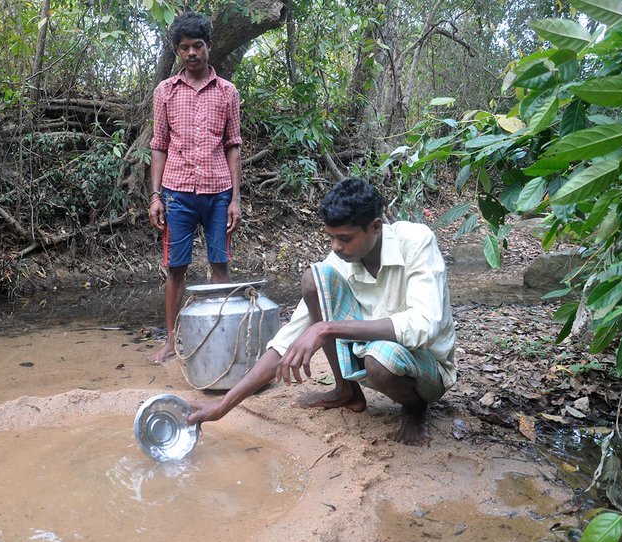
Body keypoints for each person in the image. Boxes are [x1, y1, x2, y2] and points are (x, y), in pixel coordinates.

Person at [187, 177, 457, 445]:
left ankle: (414, 407)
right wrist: (224, 405)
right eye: (330, 237)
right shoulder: (341, 259)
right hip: (376, 351)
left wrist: (326, 328)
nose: (335, 246)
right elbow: (287, 341)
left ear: (375, 227)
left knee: (378, 360)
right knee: (313, 280)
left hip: (428, 368)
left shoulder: (417, 242)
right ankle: (346, 390)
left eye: (345, 238)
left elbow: (424, 326)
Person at [147, 12, 243, 365]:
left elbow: (233, 145)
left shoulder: (228, 93)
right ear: (177, 51)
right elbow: (159, 145)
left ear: (209, 48)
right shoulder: (165, 92)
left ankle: (222, 338)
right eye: (184, 47)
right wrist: (155, 196)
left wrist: (235, 198)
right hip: (177, 193)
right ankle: (171, 342)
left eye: (197, 46)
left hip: (218, 193)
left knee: (220, 265)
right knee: (176, 268)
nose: (191, 53)